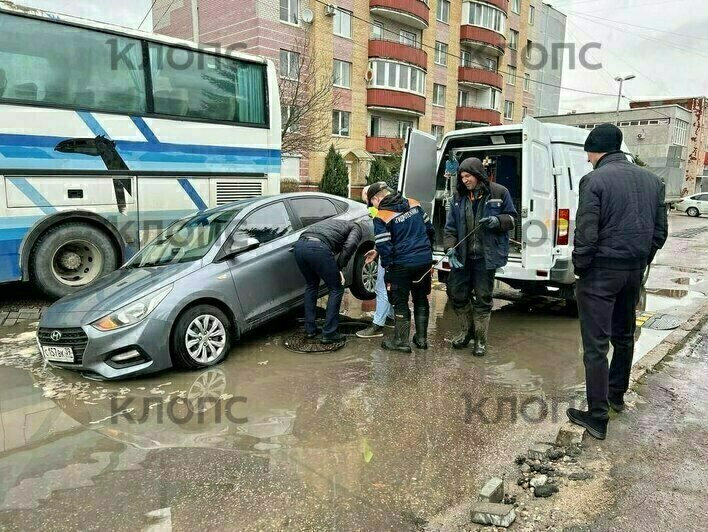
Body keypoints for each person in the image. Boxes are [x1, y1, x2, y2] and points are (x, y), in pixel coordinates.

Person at [567, 123, 668, 440]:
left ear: (597, 151)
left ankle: (597, 416)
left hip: (600, 273)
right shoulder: (653, 180)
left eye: (588, 153)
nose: (587, 159)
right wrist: (640, 260)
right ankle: (616, 397)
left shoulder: (594, 180)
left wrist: (582, 268)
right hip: (633, 272)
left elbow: (586, 232)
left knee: (595, 346)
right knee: (624, 336)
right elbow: (660, 232)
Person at [444, 157, 517, 356]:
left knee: (483, 299)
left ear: (477, 174)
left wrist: (498, 220)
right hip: (463, 256)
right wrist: (449, 248)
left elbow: (512, 218)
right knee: (456, 294)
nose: (465, 180)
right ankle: (466, 332)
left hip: (486, 257)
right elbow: (450, 228)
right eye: (462, 176)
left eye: (468, 176)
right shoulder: (458, 197)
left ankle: (480, 340)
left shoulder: (500, 192)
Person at [369, 182, 434, 352]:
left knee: (400, 302)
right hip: (424, 260)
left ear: (376, 198)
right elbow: (430, 229)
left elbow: (384, 247)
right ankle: (421, 339)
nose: (374, 208)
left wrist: (388, 270)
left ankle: (401, 342)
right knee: (421, 298)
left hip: (401, 264)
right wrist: (427, 253)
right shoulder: (414, 203)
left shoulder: (381, 217)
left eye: (372, 204)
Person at [294, 218, 362, 344]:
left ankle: (310, 329)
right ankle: (329, 333)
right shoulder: (356, 228)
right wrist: (339, 267)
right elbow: (350, 246)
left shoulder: (333, 224)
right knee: (336, 287)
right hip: (317, 247)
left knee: (311, 285)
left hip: (299, 247)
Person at [356, 184, 395, 338]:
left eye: (371, 201)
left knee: (382, 288)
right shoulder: (405, 205)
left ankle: (378, 324)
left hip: (390, 256)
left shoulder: (382, 214)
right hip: (404, 255)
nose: (371, 205)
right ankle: (391, 317)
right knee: (391, 289)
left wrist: (385, 261)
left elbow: (385, 239)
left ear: (375, 198)